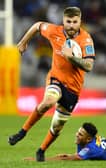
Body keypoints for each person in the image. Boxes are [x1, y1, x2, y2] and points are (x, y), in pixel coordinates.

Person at [8, 7, 95, 162]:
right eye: (68, 21)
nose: (71, 25)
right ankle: (22, 132)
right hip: (56, 79)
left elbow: (89, 66)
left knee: (57, 126)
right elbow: (37, 25)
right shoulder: (54, 31)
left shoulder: (86, 40)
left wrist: (71, 58)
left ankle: (41, 151)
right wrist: (23, 42)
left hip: (73, 90)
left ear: (79, 22)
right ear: (63, 21)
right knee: (48, 102)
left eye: (75, 22)